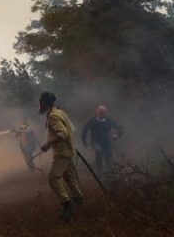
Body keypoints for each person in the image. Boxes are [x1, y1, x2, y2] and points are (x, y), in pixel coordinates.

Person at [38, 91, 83, 221]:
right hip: (68, 151)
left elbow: (63, 133)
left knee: (53, 179)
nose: (40, 105)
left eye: (41, 102)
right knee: (70, 178)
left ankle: (67, 204)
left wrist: (48, 144)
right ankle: (79, 200)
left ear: (45, 103)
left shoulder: (53, 116)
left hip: (62, 153)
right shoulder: (60, 112)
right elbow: (72, 129)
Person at [81, 105, 124, 176]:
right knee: (99, 153)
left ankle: (110, 175)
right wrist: (84, 141)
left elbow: (121, 128)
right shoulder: (92, 120)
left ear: (105, 113)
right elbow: (84, 131)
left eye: (103, 112)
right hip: (95, 142)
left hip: (106, 143)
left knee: (108, 158)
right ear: (97, 112)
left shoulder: (109, 120)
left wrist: (117, 135)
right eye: (100, 112)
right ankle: (100, 175)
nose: (101, 114)